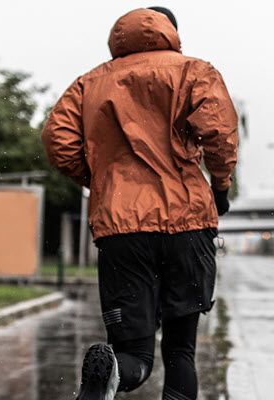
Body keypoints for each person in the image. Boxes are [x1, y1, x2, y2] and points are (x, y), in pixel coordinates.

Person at [42, 6, 238, 400]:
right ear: (172, 33)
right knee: (181, 350)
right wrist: (219, 187)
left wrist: (103, 181)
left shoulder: (88, 84)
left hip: (122, 229)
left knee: (134, 354)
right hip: (187, 224)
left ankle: (112, 370)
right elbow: (220, 134)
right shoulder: (195, 72)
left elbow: (58, 140)